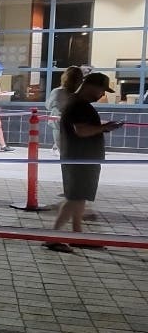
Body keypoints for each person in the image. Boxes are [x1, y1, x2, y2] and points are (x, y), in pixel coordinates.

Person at [46, 72, 122, 253]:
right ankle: (52, 237)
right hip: (80, 159)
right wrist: (104, 128)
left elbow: (81, 128)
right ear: (91, 86)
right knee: (75, 198)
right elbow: (80, 130)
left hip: (80, 158)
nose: (102, 94)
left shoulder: (77, 103)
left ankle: (77, 235)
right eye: (102, 90)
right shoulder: (79, 105)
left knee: (78, 198)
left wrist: (101, 127)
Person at [45, 66, 84, 154]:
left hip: (59, 124)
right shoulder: (79, 93)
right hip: (76, 126)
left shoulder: (57, 92)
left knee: (64, 154)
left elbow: (48, 106)